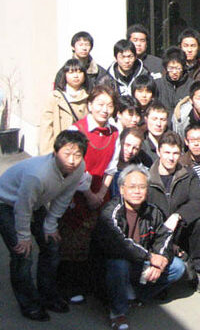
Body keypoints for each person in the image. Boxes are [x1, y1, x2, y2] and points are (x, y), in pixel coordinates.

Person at [0, 130, 88, 321]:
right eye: (67, 154)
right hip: (6, 202)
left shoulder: (79, 168)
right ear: (55, 152)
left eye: (77, 155)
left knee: (52, 245)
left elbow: (64, 197)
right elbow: (23, 206)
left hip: (35, 203)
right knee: (22, 254)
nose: (72, 160)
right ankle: (29, 304)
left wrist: (50, 224)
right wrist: (23, 236)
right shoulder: (37, 175)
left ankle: (48, 295)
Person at [93, 164, 185, 330]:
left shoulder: (153, 211)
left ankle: (134, 295)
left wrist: (161, 259)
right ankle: (118, 313)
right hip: (111, 267)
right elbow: (119, 244)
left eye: (142, 187)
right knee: (119, 264)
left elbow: (164, 237)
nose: (137, 191)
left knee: (178, 267)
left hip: (139, 264)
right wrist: (150, 257)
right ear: (122, 189)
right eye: (132, 187)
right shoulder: (111, 211)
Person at [59, 85, 120, 303]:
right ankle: (68, 288)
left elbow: (111, 167)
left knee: (95, 241)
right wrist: (89, 195)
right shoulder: (76, 130)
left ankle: (90, 285)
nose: (105, 109)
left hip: (99, 193)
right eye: (100, 104)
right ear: (90, 105)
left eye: (109, 105)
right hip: (76, 192)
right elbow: (71, 166)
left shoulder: (115, 132)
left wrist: (101, 193)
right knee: (73, 242)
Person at [146, 131, 200, 294]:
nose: (171, 158)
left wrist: (178, 215)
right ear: (159, 152)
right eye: (167, 152)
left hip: (182, 228)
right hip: (159, 234)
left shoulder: (188, 174)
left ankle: (199, 271)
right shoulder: (148, 178)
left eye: (175, 153)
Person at [40, 58, 89, 154]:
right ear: (65, 75)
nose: (76, 76)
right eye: (71, 72)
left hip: (80, 149)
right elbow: (46, 128)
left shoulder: (89, 98)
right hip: (60, 149)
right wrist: (47, 153)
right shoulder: (55, 97)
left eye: (79, 72)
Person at [105, 128, 152, 198]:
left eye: (135, 148)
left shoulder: (141, 172)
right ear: (119, 143)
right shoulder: (106, 166)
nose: (130, 151)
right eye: (127, 145)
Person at [155, 47, 193, 113]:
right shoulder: (158, 84)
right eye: (171, 68)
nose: (174, 72)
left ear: (183, 67)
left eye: (178, 68)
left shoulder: (191, 85)